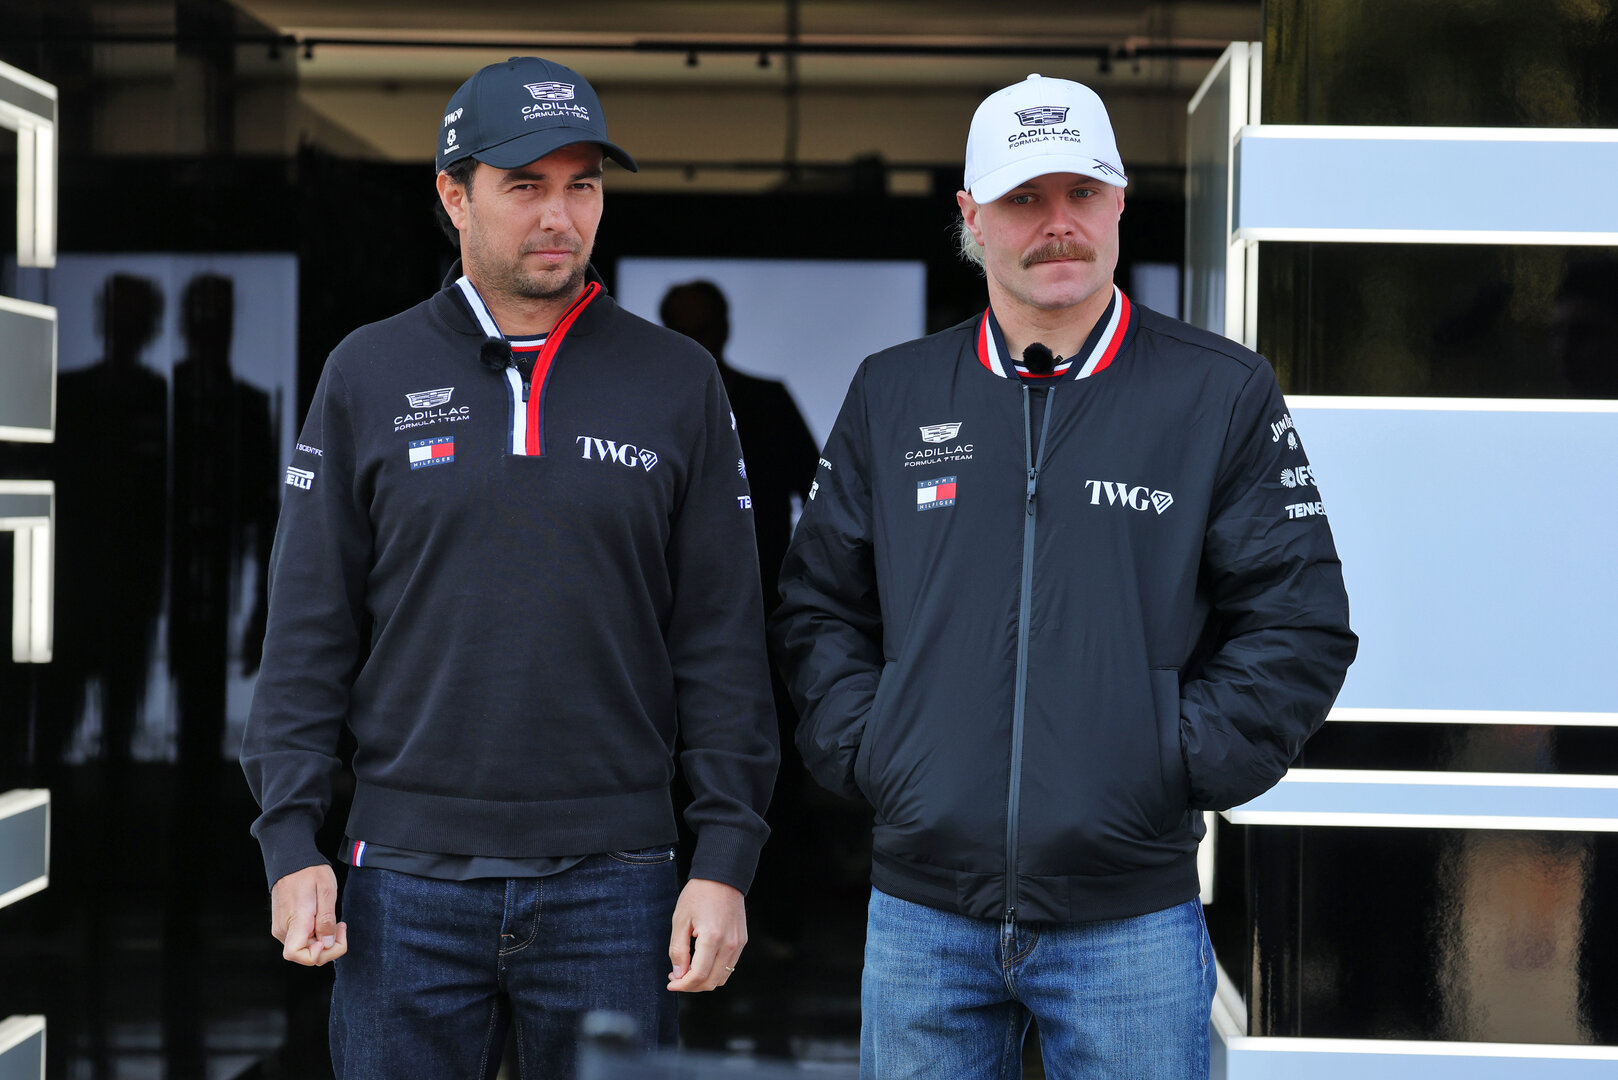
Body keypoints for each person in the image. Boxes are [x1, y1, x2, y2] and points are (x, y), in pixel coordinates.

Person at [771, 74, 1357, 1079]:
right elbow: (818, 607)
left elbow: (1298, 621)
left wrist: (1167, 763)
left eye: (1081, 194)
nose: (1058, 225)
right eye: (1023, 199)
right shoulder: (895, 394)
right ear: (971, 217)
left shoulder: (1216, 392)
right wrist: (882, 755)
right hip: (922, 915)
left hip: (1129, 914)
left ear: (1120, 201)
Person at [241, 56, 778, 1079]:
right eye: (524, 184)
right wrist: (292, 842)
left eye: (582, 184)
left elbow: (720, 638)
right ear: (454, 195)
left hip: (617, 885)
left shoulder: (676, 380)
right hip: (401, 882)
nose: (559, 215)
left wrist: (725, 861)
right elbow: (309, 626)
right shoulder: (368, 370)